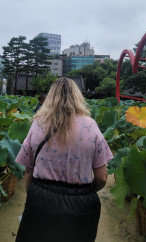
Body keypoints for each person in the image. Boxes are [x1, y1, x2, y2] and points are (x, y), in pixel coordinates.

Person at [15, 77, 113, 242]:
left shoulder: (38, 123)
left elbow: (28, 170)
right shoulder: (91, 125)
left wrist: (34, 195)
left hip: (41, 198)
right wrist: (83, 192)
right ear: (77, 96)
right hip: (82, 204)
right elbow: (102, 178)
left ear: (50, 97)